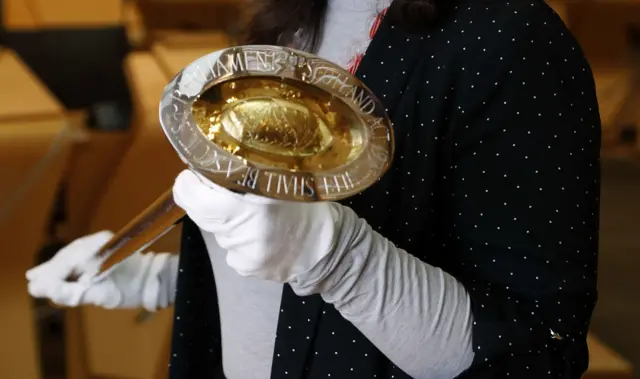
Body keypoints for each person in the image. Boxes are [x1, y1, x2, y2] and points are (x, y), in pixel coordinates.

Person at [26, 0, 601, 378]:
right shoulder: (290, 20)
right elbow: (281, 274)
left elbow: (534, 351)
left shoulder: (508, 40)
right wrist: (155, 280)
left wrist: (338, 258)